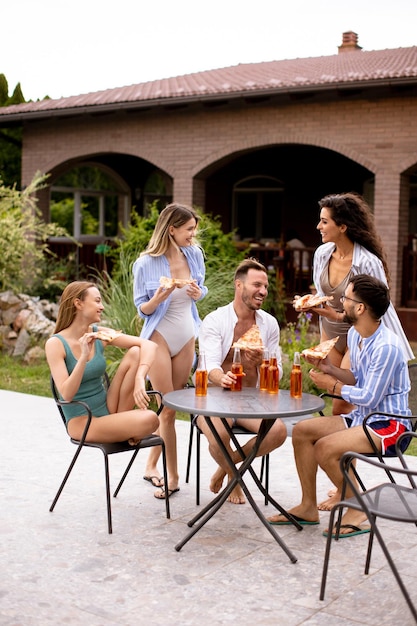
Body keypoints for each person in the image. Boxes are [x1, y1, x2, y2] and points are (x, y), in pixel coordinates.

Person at [268, 274, 412, 535]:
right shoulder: (358, 336)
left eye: (346, 297)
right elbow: (357, 378)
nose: (341, 302)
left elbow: (369, 397)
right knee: (302, 431)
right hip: (364, 418)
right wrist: (331, 368)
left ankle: (358, 508)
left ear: (360, 308)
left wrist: (332, 386)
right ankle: (308, 507)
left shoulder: (387, 347)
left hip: (390, 426)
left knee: (325, 448)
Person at [305, 192, 414, 508]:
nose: (319, 226)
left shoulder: (367, 261)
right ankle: (345, 483)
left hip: (362, 334)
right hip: (335, 333)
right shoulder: (323, 254)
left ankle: (347, 489)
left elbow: (372, 305)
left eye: (324, 221)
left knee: (341, 407)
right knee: (335, 407)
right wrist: (314, 307)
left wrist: (336, 382)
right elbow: (322, 295)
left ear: (342, 226)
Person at [196, 258, 287, 505]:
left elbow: (275, 378)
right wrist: (221, 377)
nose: (263, 291)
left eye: (265, 286)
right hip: (215, 398)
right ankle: (237, 480)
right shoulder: (215, 320)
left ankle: (228, 470)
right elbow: (209, 365)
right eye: (257, 285)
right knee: (219, 433)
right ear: (239, 285)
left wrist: (261, 362)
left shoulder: (268, 324)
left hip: (251, 400)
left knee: (278, 431)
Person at [132, 203, 207, 498]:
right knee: (168, 407)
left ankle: (151, 466)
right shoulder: (145, 263)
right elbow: (143, 309)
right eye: (189, 229)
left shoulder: (195, 255)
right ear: (172, 229)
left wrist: (199, 293)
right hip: (159, 337)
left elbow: (202, 291)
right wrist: (159, 297)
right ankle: (173, 476)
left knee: (169, 410)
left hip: (187, 333)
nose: (193, 234)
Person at [45, 281, 160, 446]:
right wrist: (84, 355)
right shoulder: (55, 344)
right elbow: (67, 395)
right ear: (78, 303)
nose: (102, 306)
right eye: (97, 301)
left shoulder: (99, 333)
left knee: (135, 352)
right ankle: (129, 430)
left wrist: (140, 378)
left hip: (108, 409)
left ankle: (126, 425)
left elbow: (148, 345)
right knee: (150, 419)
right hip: (83, 421)